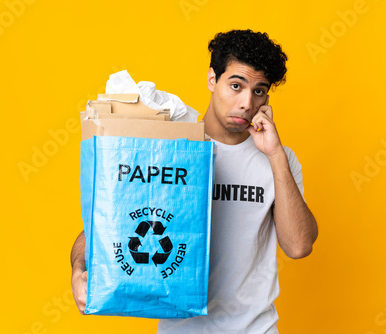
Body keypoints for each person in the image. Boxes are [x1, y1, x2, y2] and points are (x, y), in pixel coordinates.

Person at [71, 29, 318, 333]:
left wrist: (275, 154)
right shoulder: (171, 148)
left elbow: (298, 246)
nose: (245, 102)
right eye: (236, 85)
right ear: (212, 80)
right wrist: (78, 268)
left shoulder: (279, 158)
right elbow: (110, 222)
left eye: (258, 91)